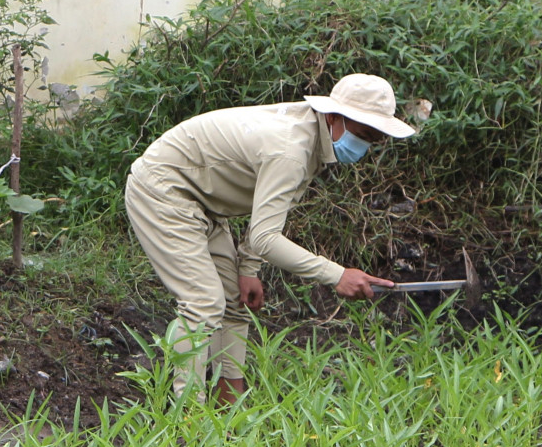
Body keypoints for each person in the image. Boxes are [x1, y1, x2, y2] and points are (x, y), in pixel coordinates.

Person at [124, 73, 416, 403]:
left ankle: (228, 403)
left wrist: (248, 268)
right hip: (164, 189)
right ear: (334, 117)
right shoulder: (291, 150)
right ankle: (187, 415)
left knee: (235, 301)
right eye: (363, 135)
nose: (364, 147)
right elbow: (265, 237)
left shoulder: (311, 137)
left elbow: (267, 217)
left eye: (374, 140)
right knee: (203, 303)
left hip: (202, 200)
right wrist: (336, 275)